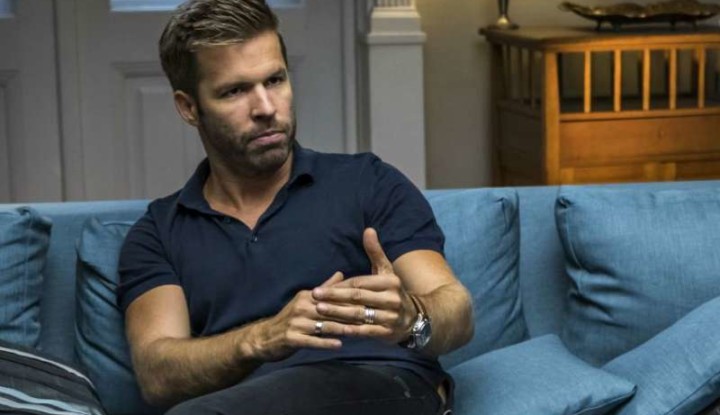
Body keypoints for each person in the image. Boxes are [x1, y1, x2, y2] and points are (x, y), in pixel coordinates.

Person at [117, 1, 474, 414]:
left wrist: (411, 317)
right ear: (189, 107)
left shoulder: (366, 181)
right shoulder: (159, 232)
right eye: (235, 91)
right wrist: (262, 338)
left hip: (380, 384)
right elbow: (157, 375)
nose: (266, 108)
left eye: (275, 80)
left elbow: (456, 309)